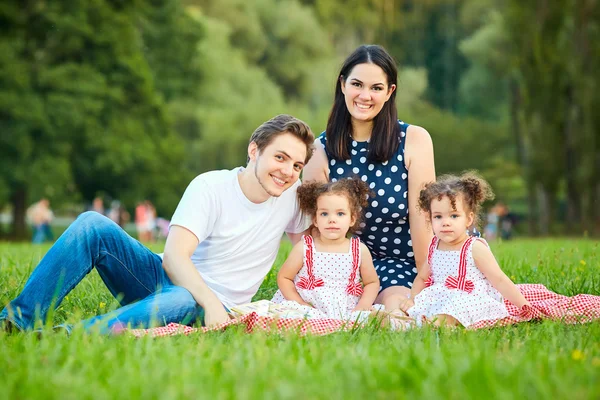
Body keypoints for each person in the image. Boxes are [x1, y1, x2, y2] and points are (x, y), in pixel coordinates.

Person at [0, 114, 315, 333]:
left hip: (202, 303)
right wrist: (208, 300)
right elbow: (176, 258)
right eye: (280, 157)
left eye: (297, 165)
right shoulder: (211, 187)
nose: (288, 171)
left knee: (182, 298)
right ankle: (17, 321)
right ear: (254, 150)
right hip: (164, 279)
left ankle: (66, 334)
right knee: (92, 224)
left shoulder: (292, 195)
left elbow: (315, 248)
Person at [302, 44, 435, 313]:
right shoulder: (319, 151)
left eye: (376, 88)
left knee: (398, 309)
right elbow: (314, 226)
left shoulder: (413, 140)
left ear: (390, 92)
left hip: (409, 260)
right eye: (357, 84)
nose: (365, 95)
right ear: (342, 85)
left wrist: (428, 282)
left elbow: (424, 218)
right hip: (347, 264)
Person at [400, 172, 530, 327]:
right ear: (430, 218)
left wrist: (524, 306)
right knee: (419, 305)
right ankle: (415, 320)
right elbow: (422, 278)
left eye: (454, 216)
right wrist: (413, 299)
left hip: (471, 299)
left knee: (455, 307)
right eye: (438, 217)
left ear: (468, 219)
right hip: (442, 296)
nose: (445, 223)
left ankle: (439, 323)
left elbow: (499, 279)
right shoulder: (435, 245)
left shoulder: (474, 248)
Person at [271, 177, 379, 320]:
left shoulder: (359, 250)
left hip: (346, 308)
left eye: (340, 213)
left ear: (352, 219)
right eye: (324, 214)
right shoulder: (305, 247)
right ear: (315, 220)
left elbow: (371, 282)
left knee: (374, 317)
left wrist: (362, 306)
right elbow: (284, 277)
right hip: (307, 307)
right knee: (289, 315)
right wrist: (300, 303)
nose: (332, 219)